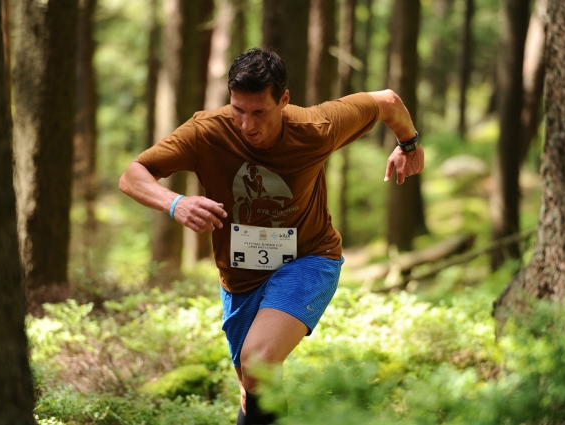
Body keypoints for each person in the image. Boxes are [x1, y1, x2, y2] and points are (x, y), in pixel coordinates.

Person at [119, 47, 424, 425]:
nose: (247, 124)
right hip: (240, 276)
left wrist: (408, 145)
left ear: (283, 100)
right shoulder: (206, 132)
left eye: (259, 112)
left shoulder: (316, 128)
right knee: (253, 384)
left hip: (309, 258)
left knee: (259, 362)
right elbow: (132, 175)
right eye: (238, 110)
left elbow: (387, 101)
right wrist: (175, 202)